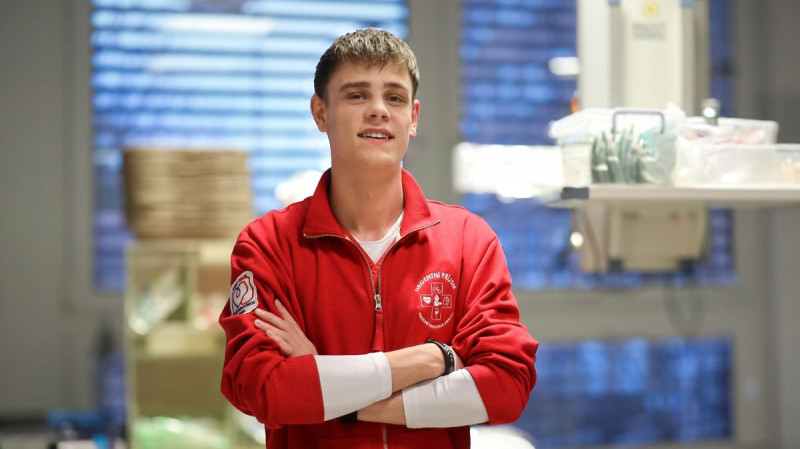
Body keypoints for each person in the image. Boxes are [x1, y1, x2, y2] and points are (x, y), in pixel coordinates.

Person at [219, 28, 538, 449]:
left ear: (414, 117)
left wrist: (328, 384)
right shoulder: (268, 245)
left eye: (395, 97)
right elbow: (262, 389)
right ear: (320, 113)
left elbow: (506, 388)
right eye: (356, 95)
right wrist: (433, 358)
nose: (378, 110)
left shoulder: (468, 241)